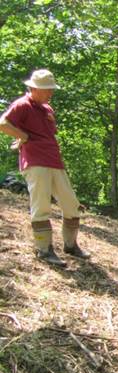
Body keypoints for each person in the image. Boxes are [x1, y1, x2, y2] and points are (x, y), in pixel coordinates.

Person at [0, 69, 90, 267]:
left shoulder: (47, 109)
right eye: (46, 89)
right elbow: (3, 123)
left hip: (54, 160)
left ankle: (70, 245)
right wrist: (22, 137)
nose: (50, 93)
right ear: (33, 88)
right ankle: (43, 249)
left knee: (71, 204)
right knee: (41, 205)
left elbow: (49, 134)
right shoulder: (22, 105)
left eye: (51, 89)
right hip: (35, 161)